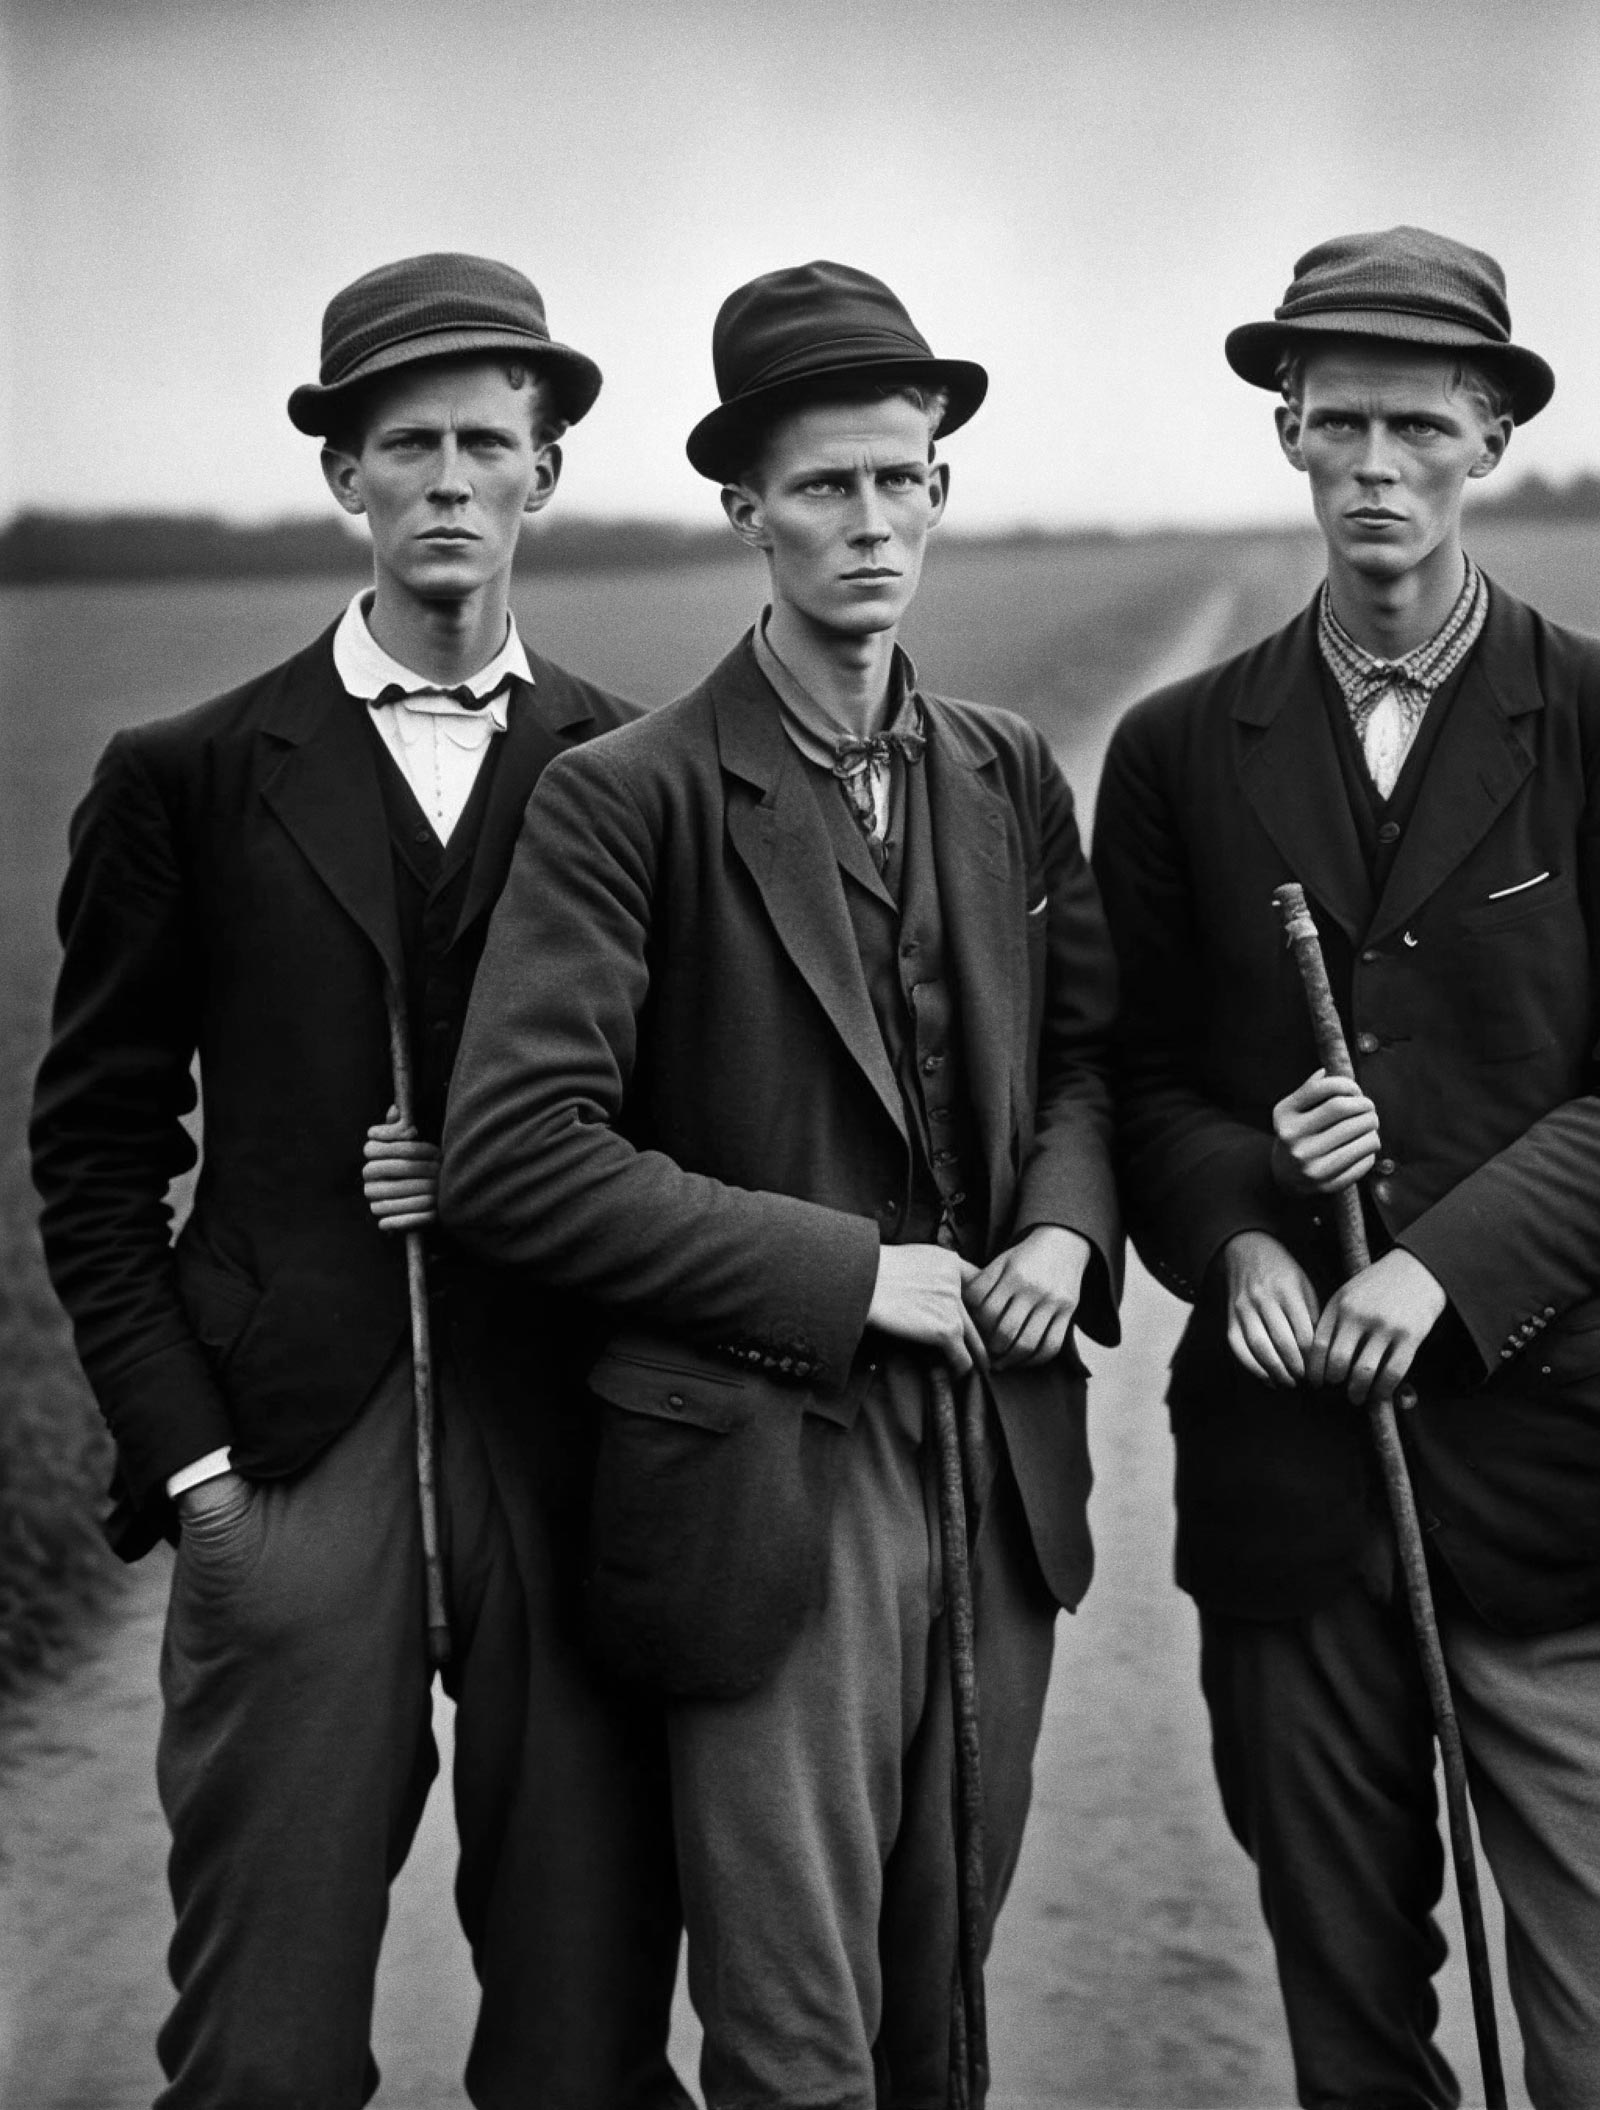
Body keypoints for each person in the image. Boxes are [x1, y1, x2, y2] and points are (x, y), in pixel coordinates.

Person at [440, 258, 1122, 2106]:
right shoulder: (628, 794)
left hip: (996, 1461)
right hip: (761, 1474)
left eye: (905, 479)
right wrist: (845, 1274)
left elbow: (1079, 1061)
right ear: (746, 506)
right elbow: (516, 1154)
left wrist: (1062, 1217)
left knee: (940, 2012)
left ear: (943, 492)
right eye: (827, 486)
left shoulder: (1001, 775)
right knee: (798, 2039)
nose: (873, 521)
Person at [30, 252, 688, 2110]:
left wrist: (496, 1182)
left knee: (585, 2039)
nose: (454, 478)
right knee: (264, 2044)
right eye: (411, 442)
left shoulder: (637, 767)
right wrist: (194, 1472)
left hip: (568, 1447)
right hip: (292, 1446)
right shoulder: (188, 775)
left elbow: (694, 1124)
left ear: (546, 474)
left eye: (494, 440)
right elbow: (92, 1146)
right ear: (348, 476)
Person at [1093, 224, 1600, 2109]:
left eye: (1416, 424)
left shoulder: (1596, 719)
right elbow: (1135, 1082)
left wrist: (1445, 1264)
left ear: (1486, 438)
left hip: (1559, 1479)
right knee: (1353, 2030)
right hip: (1293, 1488)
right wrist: (1241, 1225)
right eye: (1336, 426)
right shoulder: (1173, 754)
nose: (1373, 467)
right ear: (1287, 437)